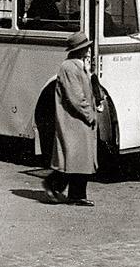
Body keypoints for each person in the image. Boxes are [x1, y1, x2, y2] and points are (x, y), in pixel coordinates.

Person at [42, 31, 99, 206]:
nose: (88, 51)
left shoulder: (76, 66)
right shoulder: (69, 68)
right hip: (74, 120)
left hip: (77, 120)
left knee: (78, 159)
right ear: (79, 50)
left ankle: (74, 193)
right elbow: (76, 96)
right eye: (86, 48)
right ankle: (58, 187)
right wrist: (89, 114)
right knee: (74, 158)